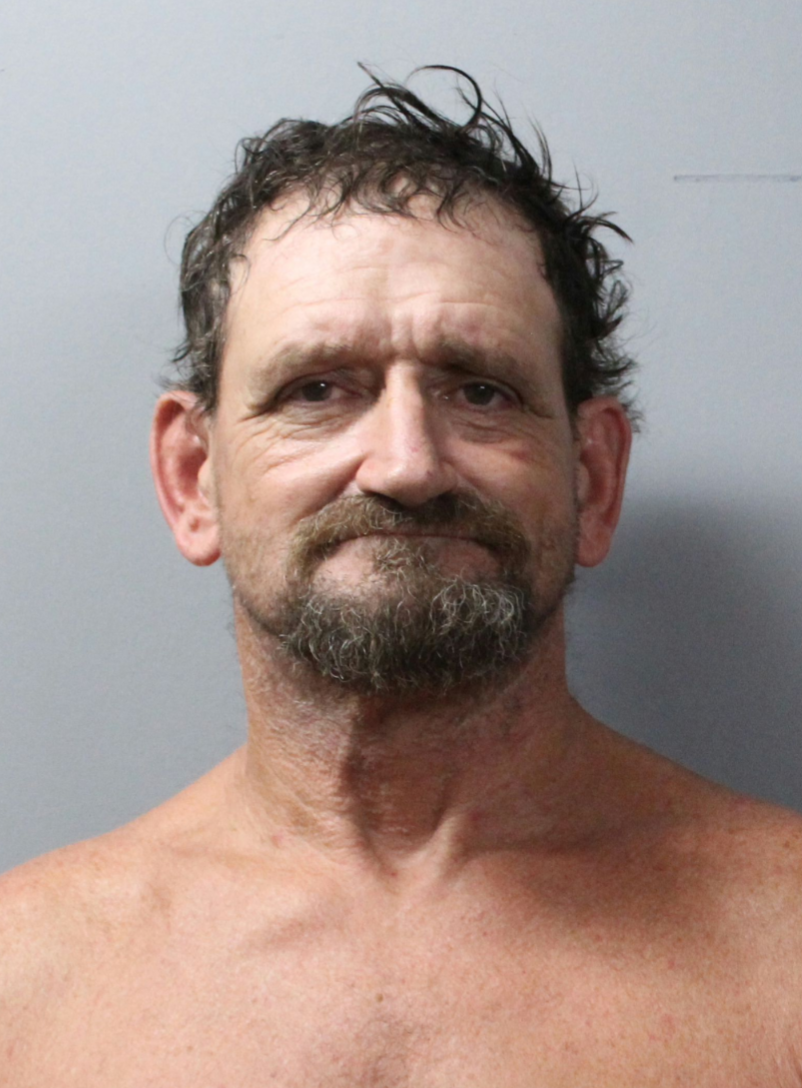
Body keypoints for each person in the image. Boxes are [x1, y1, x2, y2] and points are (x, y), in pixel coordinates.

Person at [2, 67, 801, 1087]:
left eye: (481, 391)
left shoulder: (784, 951)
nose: (407, 464)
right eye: (317, 389)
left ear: (593, 477)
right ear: (194, 477)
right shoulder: (26, 982)